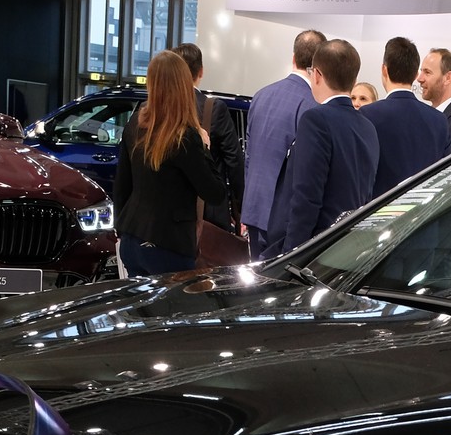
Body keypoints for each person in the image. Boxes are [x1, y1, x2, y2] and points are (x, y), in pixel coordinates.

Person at [113, 50, 228, 276]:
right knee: (174, 300)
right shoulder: (184, 136)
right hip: (169, 245)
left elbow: (121, 185)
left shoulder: (135, 124)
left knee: (138, 300)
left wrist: (121, 228)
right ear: (183, 85)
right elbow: (215, 193)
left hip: (132, 239)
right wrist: (205, 147)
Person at [267, 39, 378, 256]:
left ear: (316, 74)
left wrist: (291, 255)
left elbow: (306, 198)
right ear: (354, 79)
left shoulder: (316, 120)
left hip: (314, 251)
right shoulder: (368, 128)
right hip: (348, 248)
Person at [240, 28, 324, 259]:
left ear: (294, 58)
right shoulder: (313, 106)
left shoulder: (261, 95)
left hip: (254, 208)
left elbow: (249, 156)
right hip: (283, 221)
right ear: (320, 64)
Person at [362, 36, 451, 197]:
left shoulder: (367, 115)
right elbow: (446, 178)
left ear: (384, 70)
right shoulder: (439, 121)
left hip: (378, 210)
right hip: (423, 211)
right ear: (416, 74)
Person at [171, 41, 244, 232]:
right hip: (207, 211)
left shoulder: (159, 109)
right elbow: (234, 160)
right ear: (201, 71)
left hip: (168, 212)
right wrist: (239, 204)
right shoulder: (213, 109)